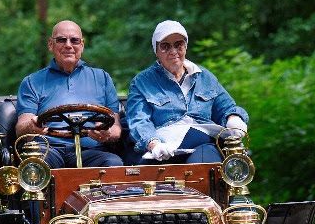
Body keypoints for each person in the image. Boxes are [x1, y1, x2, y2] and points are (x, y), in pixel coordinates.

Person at [124, 21, 248, 164]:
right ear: (156, 51)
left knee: (205, 163)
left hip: (204, 143)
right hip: (164, 148)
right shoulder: (142, 82)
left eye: (178, 45)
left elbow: (226, 108)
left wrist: (234, 118)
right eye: (165, 46)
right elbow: (139, 120)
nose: (173, 51)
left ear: (186, 47)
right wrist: (154, 144)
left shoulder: (205, 77)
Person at [15, 20, 123, 168]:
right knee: (35, 165)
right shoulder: (32, 82)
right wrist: (32, 127)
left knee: (113, 163)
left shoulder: (102, 78)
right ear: (50, 45)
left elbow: (116, 127)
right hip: (48, 150)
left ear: (82, 45)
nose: (68, 45)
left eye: (74, 40)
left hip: (91, 151)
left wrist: (107, 132)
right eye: (61, 40)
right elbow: (21, 127)